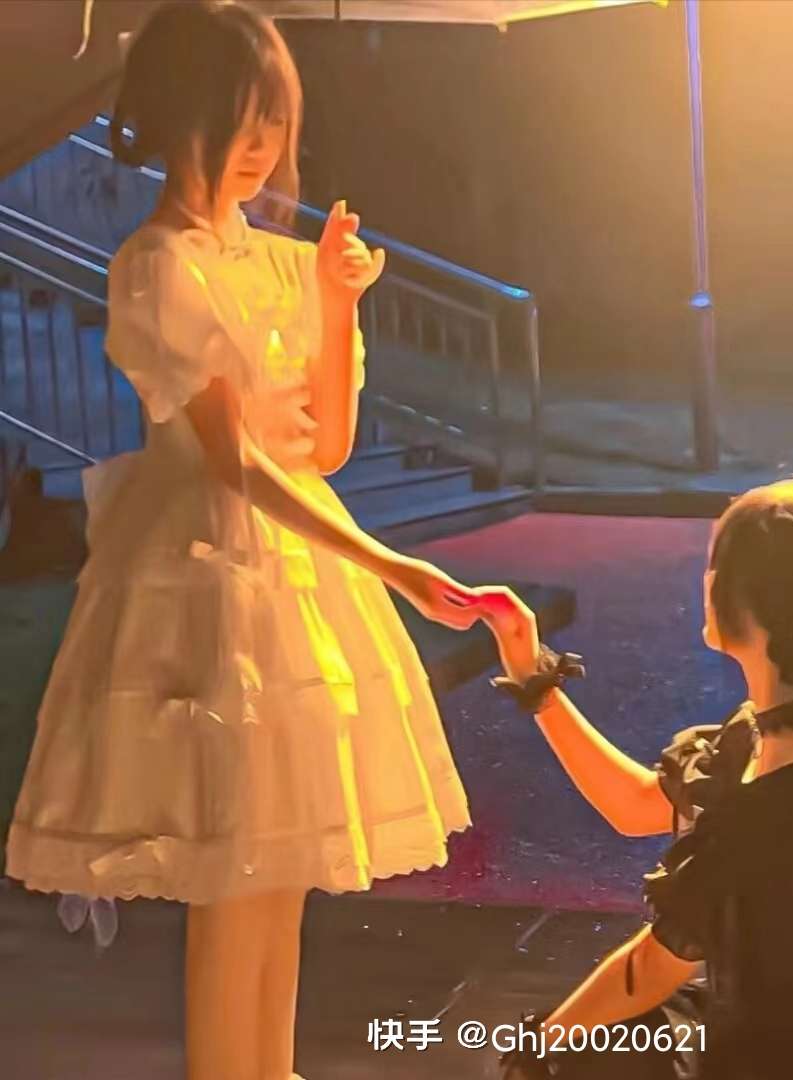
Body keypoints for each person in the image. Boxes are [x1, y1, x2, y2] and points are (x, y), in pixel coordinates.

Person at [4, 4, 480, 1078]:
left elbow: (326, 447)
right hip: (209, 578)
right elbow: (233, 461)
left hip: (298, 571)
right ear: (178, 119)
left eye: (273, 119)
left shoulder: (281, 260)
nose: (260, 143)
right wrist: (388, 562)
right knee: (233, 874)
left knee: (281, 877)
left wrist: (337, 299)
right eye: (238, 119)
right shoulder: (157, 263)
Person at [479, 475, 793, 1079]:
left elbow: (651, 969)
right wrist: (534, 677)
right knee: (610, 1038)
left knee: (589, 1051)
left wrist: (538, 1046)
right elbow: (636, 806)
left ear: (758, 600)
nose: (705, 582)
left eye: (716, 566)